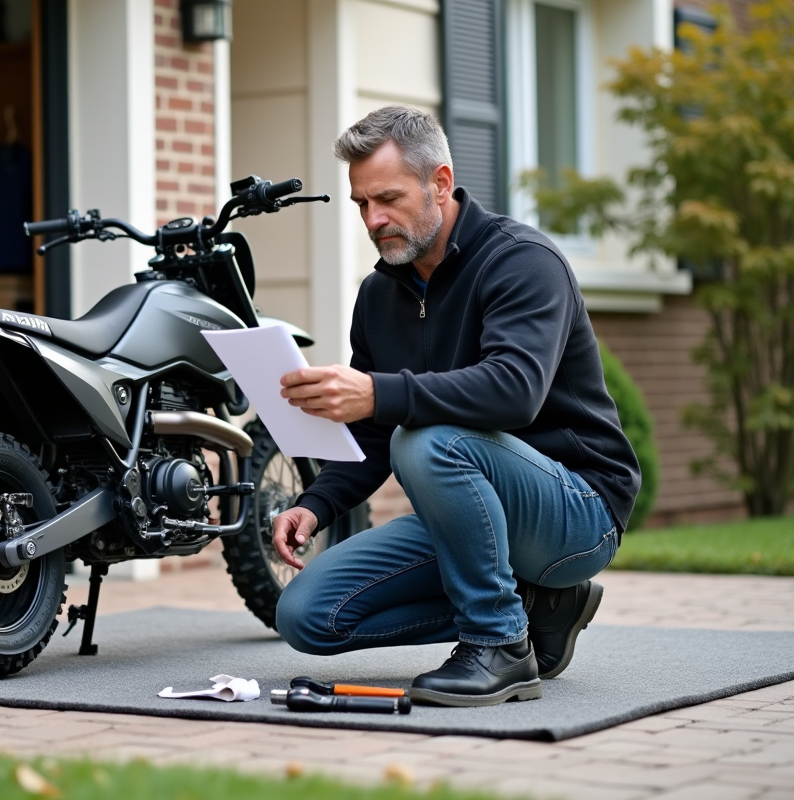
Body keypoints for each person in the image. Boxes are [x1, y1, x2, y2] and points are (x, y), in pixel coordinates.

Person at [270, 106, 640, 707]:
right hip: (471, 510)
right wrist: (316, 504)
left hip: (577, 508)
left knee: (424, 438)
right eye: (362, 204)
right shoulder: (378, 295)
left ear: (440, 183)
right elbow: (372, 433)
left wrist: (379, 393)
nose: (373, 219)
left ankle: (498, 645)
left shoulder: (522, 261)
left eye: (387, 198)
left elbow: (515, 390)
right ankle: (529, 610)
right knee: (306, 615)